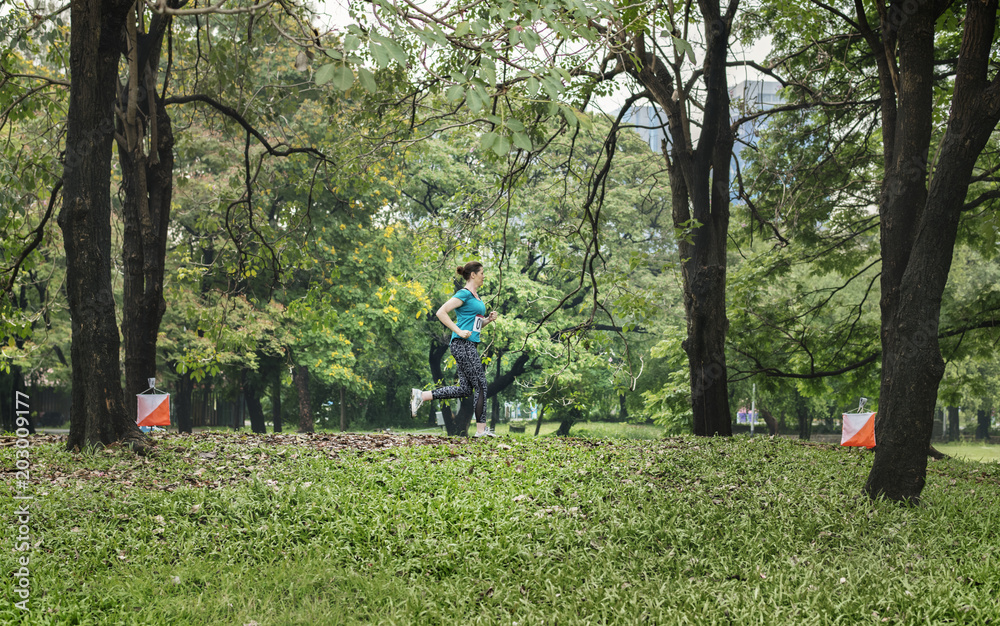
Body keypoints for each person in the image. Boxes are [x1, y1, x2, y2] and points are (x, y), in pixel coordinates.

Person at [411, 261, 499, 437]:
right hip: (462, 344)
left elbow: (474, 324)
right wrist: (458, 331)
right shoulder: (464, 294)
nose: (484, 276)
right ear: (473, 274)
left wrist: (487, 320)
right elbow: (441, 312)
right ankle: (481, 430)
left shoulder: (476, 297)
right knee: (481, 384)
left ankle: (422, 396)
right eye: (481, 272)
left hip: (469, 344)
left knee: (465, 389)